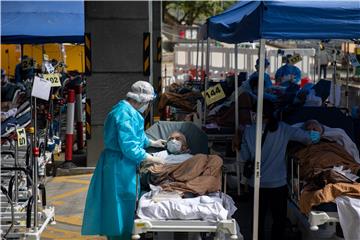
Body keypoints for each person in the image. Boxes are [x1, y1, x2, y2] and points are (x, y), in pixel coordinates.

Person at [82, 81, 167, 239]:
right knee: (119, 204)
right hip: (118, 166)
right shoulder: (123, 114)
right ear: (140, 100)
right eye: (148, 103)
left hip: (123, 164)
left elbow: (136, 136)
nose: (147, 106)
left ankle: (123, 234)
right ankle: (120, 236)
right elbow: (129, 146)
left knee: (124, 202)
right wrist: (151, 158)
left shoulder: (130, 112)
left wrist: (151, 143)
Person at [236, 100, 319, 240]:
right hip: (278, 184)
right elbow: (309, 139)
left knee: (257, 219)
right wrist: (318, 130)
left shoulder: (249, 131)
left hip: (256, 184)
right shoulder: (283, 128)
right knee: (279, 219)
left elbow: (244, 157)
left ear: (256, 113)